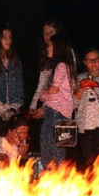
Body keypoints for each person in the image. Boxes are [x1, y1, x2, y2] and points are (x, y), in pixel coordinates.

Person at [36, 33, 77, 169]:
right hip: (65, 114)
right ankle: (60, 181)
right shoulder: (68, 67)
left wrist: (43, 94)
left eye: (50, 46)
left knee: (48, 146)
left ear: (57, 48)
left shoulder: (60, 66)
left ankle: (51, 177)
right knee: (60, 149)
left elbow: (53, 90)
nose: (47, 49)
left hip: (55, 112)